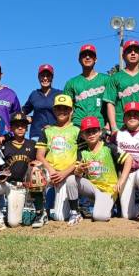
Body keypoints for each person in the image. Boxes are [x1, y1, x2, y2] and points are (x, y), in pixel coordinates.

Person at [0, 112, 39, 231]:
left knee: (13, 223)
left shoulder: (33, 145)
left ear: (27, 127)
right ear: (11, 127)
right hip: (5, 183)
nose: (20, 127)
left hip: (20, 187)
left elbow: (39, 162)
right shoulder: (4, 144)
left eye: (23, 125)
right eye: (16, 125)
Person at [75, 116, 132, 222]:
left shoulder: (109, 147)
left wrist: (121, 180)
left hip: (108, 189)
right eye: (87, 132)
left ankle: (109, 208)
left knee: (99, 217)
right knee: (70, 180)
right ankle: (74, 211)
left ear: (100, 132)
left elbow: (129, 159)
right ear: (82, 135)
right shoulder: (82, 151)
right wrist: (78, 171)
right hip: (92, 188)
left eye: (94, 131)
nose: (91, 134)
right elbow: (77, 174)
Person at [36, 94, 82, 224]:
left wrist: (64, 173)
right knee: (35, 171)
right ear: (54, 110)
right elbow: (39, 155)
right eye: (58, 108)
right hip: (50, 172)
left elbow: (80, 158)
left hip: (67, 175)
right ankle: (40, 212)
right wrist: (51, 170)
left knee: (59, 217)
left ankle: (75, 210)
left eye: (65, 108)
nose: (62, 111)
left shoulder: (77, 130)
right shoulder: (48, 131)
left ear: (71, 110)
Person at [105, 40, 139, 131]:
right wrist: (114, 127)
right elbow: (110, 103)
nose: (133, 53)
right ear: (123, 56)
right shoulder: (115, 78)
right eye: (129, 51)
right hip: (121, 127)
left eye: (136, 51)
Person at [63, 44, 110, 127]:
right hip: (77, 126)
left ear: (95, 59)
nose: (87, 57)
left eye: (91, 55)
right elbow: (66, 109)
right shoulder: (71, 83)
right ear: (79, 60)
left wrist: (109, 125)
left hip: (100, 126)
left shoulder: (106, 79)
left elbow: (112, 105)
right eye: (84, 55)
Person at [22, 64, 61, 141]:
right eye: (42, 76)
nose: (45, 78)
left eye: (48, 76)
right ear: (38, 77)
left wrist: (54, 126)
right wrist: (25, 118)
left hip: (55, 134)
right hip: (36, 135)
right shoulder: (34, 94)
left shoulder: (59, 94)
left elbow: (66, 114)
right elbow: (23, 111)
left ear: (52, 77)